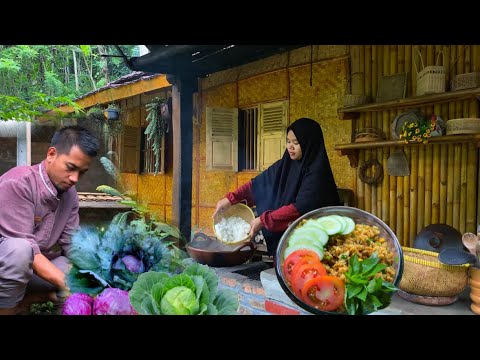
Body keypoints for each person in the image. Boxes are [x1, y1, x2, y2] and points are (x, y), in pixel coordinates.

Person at [0, 125, 99, 315]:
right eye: (71, 168)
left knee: (76, 270)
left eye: (82, 172)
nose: (75, 178)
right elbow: (27, 249)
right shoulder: (18, 183)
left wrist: (99, 277)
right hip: (7, 266)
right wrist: (67, 283)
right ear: (51, 154)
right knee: (20, 251)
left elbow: (72, 245)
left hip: (29, 270)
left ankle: (29, 301)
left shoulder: (70, 196)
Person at [213, 117, 340, 257]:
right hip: (287, 243)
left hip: (313, 245)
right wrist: (231, 199)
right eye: (288, 141)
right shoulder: (285, 165)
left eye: (296, 143)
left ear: (309, 144)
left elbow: (300, 209)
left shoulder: (317, 174)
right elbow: (257, 185)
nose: (290, 146)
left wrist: (264, 220)